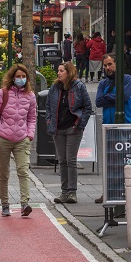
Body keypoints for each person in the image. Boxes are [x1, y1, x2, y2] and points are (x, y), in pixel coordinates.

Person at [0, 64, 36, 217]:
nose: (21, 79)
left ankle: (25, 203)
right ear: (12, 78)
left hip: (22, 139)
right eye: (18, 76)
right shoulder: (3, 93)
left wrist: (29, 135)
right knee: (4, 174)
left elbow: (32, 117)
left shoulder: (31, 96)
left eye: (23, 76)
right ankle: (5, 204)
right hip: (3, 138)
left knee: (23, 170)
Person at [45, 62, 93, 204]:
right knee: (62, 160)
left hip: (73, 128)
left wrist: (80, 124)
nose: (58, 73)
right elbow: (48, 106)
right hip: (58, 129)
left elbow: (87, 107)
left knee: (71, 160)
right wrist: (49, 122)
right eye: (58, 71)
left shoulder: (78, 87)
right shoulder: (55, 88)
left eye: (61, 71)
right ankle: (64, 191)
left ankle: (72, 192)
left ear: (69, 72)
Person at [95, 53, 131, 124]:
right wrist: (117, 101)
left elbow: (123, 98)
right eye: (105, 65)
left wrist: (106, 96)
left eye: (110, 64)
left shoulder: (127, 79)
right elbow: (98, 102)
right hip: (107, 125)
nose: (107, 68)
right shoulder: (103, 83)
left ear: (116, 64)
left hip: (125, 124)